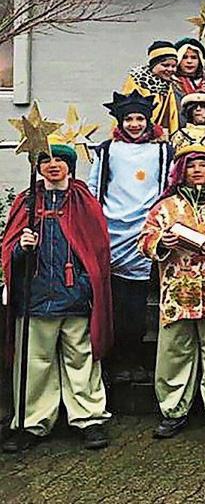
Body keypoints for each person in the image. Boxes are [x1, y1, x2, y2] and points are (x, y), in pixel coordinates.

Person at [1, 142, 113, 452]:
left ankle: (89, 418)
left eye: (59, 160)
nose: (53, 165)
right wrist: (21, 248)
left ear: (70, 166)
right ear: (37, 167)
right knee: (35, 362)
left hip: (75, 295)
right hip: (36, 296)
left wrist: (85, 283)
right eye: (46, 160)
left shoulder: (83, 201)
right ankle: (32, 422)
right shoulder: (26, 202)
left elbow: (98, 249)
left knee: (81, 359)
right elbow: (8, 250)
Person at [139, 145, 205, 440]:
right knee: (173, 353)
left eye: (203, 165)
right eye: (191, 166)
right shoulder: (165, 207)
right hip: (175, 291)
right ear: (181, 171)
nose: (197, 170)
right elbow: (145, 240)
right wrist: (163, 241)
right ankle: (173, 411)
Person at [88, 90, 173, 384]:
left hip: (145, 232)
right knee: (113, 303)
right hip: (113, 232)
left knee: (137, 305)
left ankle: (135, 360)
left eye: (140, 118)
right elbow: (95, 189)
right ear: (120, 122)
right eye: (129, 119)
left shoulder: (162, 151)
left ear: (148, 120)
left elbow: (166, 188)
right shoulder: (107, 150)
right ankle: (112, 361)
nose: (135, 124)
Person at [120, 40, 180, 133]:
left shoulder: (168, 85)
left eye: (173, 66)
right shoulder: (138, 82)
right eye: (165, 65)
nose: (170, 69)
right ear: (153, 65)